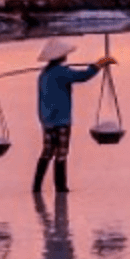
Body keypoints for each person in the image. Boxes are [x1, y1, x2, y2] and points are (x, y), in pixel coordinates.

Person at [33, 37, 111, 195]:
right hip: (61, 119)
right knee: (61, 153)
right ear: (61, 57)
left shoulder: (44, 74)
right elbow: (83, 76)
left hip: (47, 120)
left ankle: (36, 186)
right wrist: (99, 65)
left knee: (47, 152)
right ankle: (60, 187)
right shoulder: (62, 72)